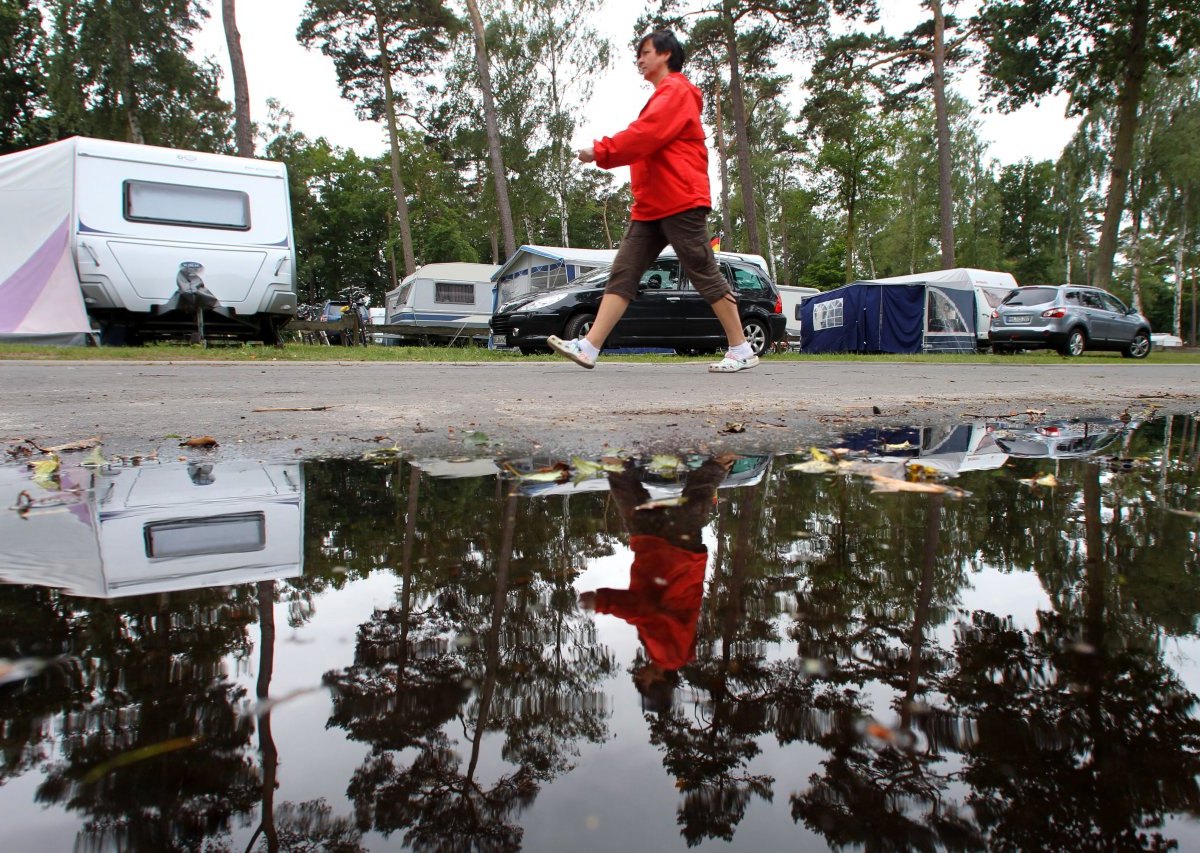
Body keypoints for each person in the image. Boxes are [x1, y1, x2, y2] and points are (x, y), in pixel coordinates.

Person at [548, 29, 759, 373]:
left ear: (665, 54)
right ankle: (589, 346)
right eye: (638, 55)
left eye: (645, 52)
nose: (640, 60)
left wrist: (599, 150)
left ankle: (741, 348)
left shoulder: (677, 90)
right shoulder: (664, 95)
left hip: (679, 198)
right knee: (624, 273)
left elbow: (645, 136)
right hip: (651, 205)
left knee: (702, 270)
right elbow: (647, 140)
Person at [578, 455, 736, 712]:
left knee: (651, 509)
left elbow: (649, 609)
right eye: (644, 684)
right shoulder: (668, 655)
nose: (638, 678)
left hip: (665, 557)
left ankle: (619, 466)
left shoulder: (668, 653)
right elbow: (646, 611)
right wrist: (602, 602)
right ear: (658, 682)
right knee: (684, 506)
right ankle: (720, 460)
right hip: (675, 561)